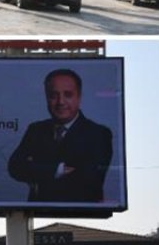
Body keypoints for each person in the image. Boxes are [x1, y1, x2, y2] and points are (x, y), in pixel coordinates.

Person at [7, 68, 113, 202]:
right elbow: (14, 167)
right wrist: (58, 170)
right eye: (53, 95)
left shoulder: (99, 134)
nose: (60, 102)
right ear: (46, 97)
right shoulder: (36, 130)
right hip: (39, 206)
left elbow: (89, 179)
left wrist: (36, 168)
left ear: (79, 97)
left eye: (68, 94)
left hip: (80, 208)